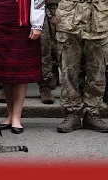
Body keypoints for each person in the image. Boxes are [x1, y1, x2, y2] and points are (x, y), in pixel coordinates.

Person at [0, 0, 45, 134]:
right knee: (5, 71)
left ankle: (16, 117)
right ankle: (9, 115)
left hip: (23, 21)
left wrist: (37, 23)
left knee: (21, 70)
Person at [55, 0, 108, 133]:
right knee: (69, 71)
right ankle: (72, 113)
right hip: (69, 20)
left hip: (99, 19)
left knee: (97, 72)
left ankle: (92, 113)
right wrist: (52, 13)